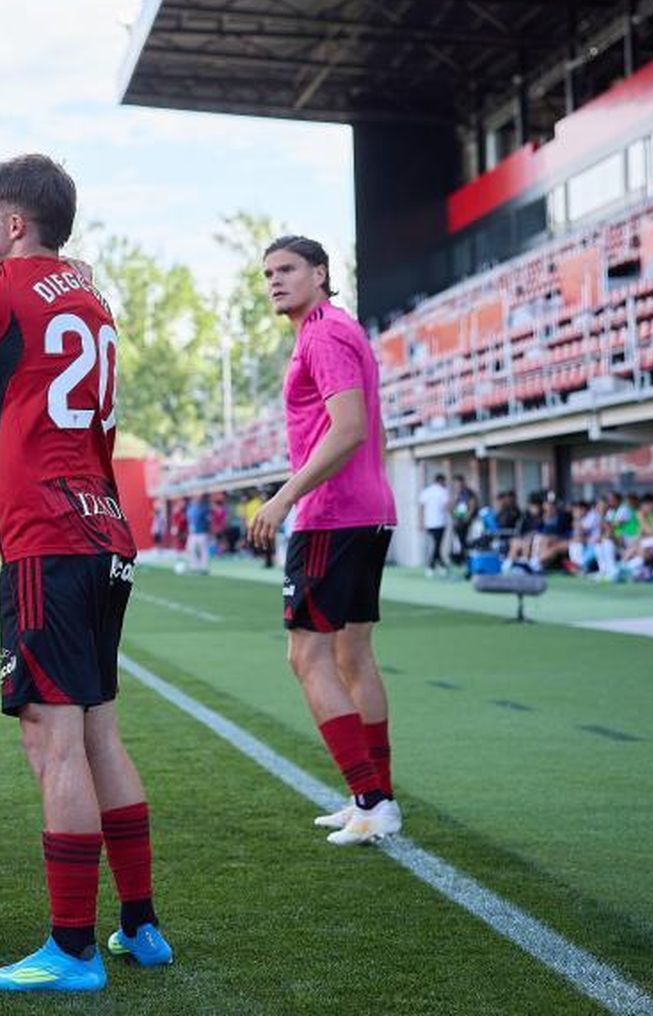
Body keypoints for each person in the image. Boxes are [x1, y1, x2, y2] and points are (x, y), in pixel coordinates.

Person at [0, 155, 170, 992]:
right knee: (98, 733)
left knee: (53, 742)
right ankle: (140, 926)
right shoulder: (88, 297)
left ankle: (73, 949)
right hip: (102, 528)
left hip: (46, 536)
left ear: (14, 223)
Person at [245, 235, 400, 848]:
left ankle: (371, 798)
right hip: (365, 511)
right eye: (267, 273)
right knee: (350, 656)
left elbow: (350, 429)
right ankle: (376, 799)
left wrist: (285, 496)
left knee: (306, 656)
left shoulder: (324, 334)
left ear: (320, 273)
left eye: (287, 269)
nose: (275, 281)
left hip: (332, 516)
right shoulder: (335, 329)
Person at [418, 473, 451, 577]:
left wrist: (421, 521)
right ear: (441, 481)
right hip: (439, 522)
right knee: (437, 545)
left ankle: (442, 565)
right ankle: (431, 566)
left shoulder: (427, 491)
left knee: (436, 545)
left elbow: (421, 507)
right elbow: (447, 506)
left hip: (429, 523)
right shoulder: (443, 491)